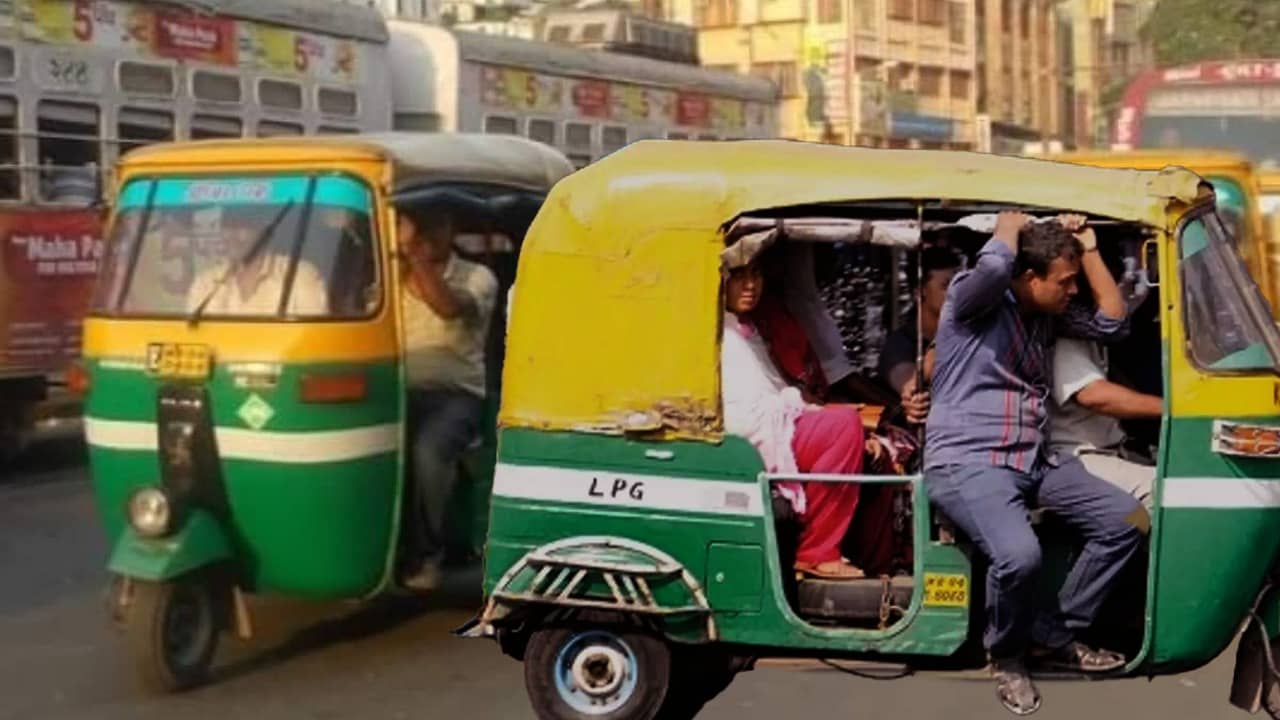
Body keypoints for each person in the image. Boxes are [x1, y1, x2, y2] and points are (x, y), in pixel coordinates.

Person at [925, 211, 1146, 714]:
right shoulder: (974, 299)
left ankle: (1056, 631)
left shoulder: (1047, 313)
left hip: (1033, 461)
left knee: (1128, 519)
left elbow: (1113, 320)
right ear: (1030, 278)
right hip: (969, 461)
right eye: (1064, 282)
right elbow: (994, 269)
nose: (1072, 291)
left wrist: (1087, 248)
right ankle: (1007, 655)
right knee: (1018, 557)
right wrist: (1009, 226)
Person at [722, 258, 883, 581]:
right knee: (843, 427)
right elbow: (745, 408)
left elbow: (779, 390)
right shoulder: (716, 332)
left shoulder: (753, 329)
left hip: (776, 420)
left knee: (877, 447)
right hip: (747, 436)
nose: (750, 285)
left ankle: (877, 565)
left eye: (755, 274)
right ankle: (817, 554)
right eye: (738, 277)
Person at [398, 204, 498, 591]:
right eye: (417, 227)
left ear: (450, 227)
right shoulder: (393, 276)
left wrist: (414, 258)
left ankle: (427, 554)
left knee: (428, 451)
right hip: (395, 391)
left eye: (433, 225)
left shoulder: (478, 277)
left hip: (455, 397)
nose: (424, 235)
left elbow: (449, 307)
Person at [185, 209, 329, 316]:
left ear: (263, 230)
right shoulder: (206, 283)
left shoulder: (299, 275)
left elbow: (312, 336)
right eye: (226, 227)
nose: (231, 236)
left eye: (240, 227)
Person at [879, 246, 962, 425]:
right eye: (945, 286)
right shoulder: (901, 343)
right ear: (919, 292)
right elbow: (906, 380)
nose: (956, 293)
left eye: (960, 285)